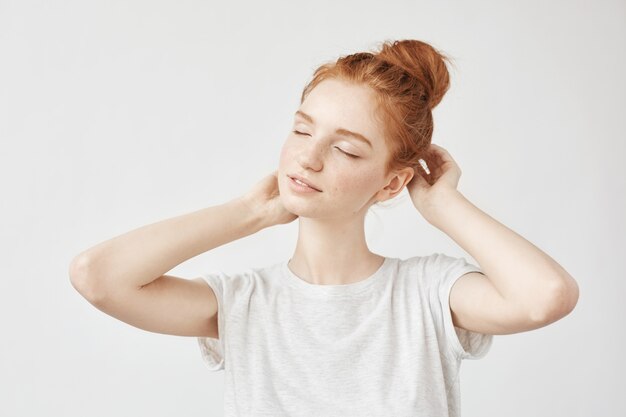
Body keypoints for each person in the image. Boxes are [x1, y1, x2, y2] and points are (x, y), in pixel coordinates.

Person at [69, 39, 579, 416]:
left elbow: (547, 295)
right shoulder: (245, 303)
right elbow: (98, 276)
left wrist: (443, 204)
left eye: (346, 148)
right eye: (301, 128)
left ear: (390, 183)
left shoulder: (427, 294)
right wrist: (251, 212)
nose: (308, 157)